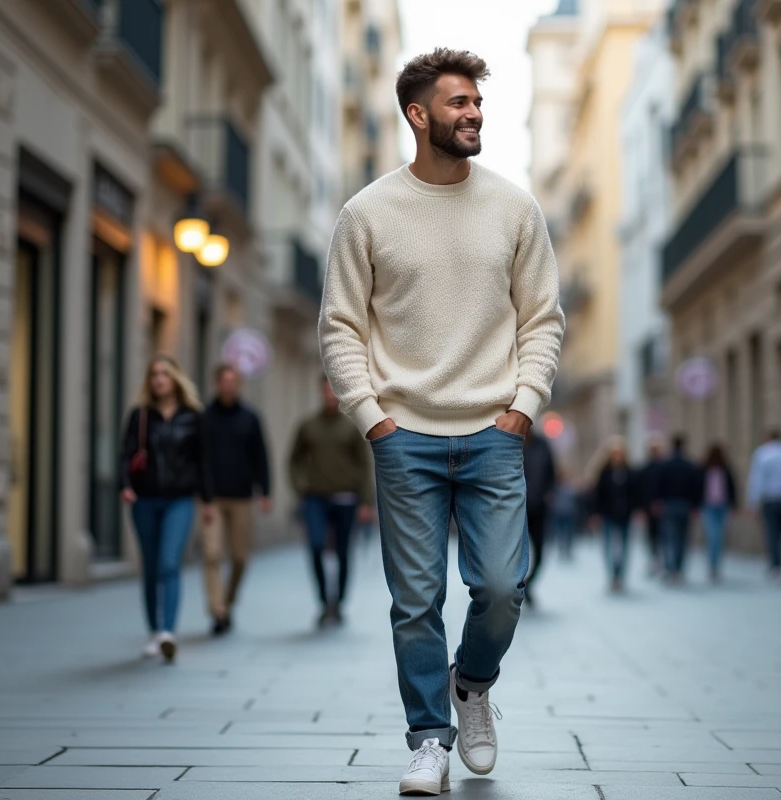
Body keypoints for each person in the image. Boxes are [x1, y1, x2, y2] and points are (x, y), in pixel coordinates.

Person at [319, 48, 564, 795]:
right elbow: (340, 329)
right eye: (458, 103)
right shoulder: (366, 214)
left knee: (500, 586)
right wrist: (373, 418)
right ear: (418, 115)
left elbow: (542, 321)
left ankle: (473, 682)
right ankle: (429, 739)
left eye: (477, 103)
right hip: (405, 439)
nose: (474, 113)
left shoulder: (515, 209)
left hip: (494, 434)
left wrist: (523, 409)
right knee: (414, 599)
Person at [118, 354, 213, 663]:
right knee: (150, 566)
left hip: (180, 500)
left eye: (164, 374)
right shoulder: (140, 416)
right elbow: (125, 454)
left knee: (169, 562)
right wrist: (125, 486)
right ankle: (154, 631)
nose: (159, 379)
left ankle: (168, 633)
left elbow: (203, 462)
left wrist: (207, 500)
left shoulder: (193, 417)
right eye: (154, 374)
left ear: (175, 379)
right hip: (144, 500)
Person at [288, 377, 374, 627]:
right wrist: (300, 487)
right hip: (314, 498)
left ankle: (340, 602)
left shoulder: (350, 426)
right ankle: (324, 600)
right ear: (320, 392)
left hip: (346, 498)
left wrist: (365, 501)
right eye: (325, 390)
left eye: (332, 391)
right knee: (315, 546)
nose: (329, 395)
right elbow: (294, 460)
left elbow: (364, 465)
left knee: (344, 552)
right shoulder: (308, 426)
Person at [201, 364, 272, 636]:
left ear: (238, 385)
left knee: (241, 557)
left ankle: (227, 603)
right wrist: (203, 495)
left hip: (242, 497)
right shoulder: (205, 418)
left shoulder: (250, 418)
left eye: (233, 381)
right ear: (216, 384)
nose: (228, 386)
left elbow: (261, 456)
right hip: (212, 499)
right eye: (224, 381)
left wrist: (265, 492)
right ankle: (217, 611)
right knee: (211, 554)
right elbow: (200, 460)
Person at [746, 430, 781, 578]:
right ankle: (780, 561)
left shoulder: (762, 454)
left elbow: (757, 481)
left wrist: (753, 503)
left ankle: (775, 563)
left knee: (772, 532)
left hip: (770, 499)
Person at [592, 438, 639, 593]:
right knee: (608, 547)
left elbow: (635, 493)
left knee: (624, 547)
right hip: (608, 514)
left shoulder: (630, 473)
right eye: (615, 454)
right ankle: (612, 575)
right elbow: (598, 494)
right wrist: (595, 513)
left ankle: (621, 576)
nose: (617, 457)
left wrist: (636, 510)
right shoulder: (605, 473)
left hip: (625, 514)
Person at [656, 435, 702, 584]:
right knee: (682, 539)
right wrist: (695, 506)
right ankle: (679, 569)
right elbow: (697, 487)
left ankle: (671, 568)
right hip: (685, 505)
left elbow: (659, 485)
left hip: (669, 505)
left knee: (669, 538)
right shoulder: (689, 465)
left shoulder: (665, 464)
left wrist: (658, 501)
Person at [522, 428, 557, 606]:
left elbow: (552, 472)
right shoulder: (512, 441)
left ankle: (528, 584)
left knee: (541, 553)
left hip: (539, 508)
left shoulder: (542, 444)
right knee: (514, 554)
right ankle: (515, 588)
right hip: (515, 509)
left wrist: (549, 493)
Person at [700, 443, 738, 583]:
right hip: (708, 506)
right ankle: (712, 565)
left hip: (722, 506)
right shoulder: (704, 470)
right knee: (713, 536)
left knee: (719, 537)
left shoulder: (725, 470)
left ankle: (716, 565)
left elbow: (732, 488)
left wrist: (733, 505)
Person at [638, 436, 666, 577]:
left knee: (661, 536)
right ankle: (655, 560)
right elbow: (641, 490)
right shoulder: (646, 469)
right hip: (650, 509)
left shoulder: (664, 468)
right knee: (652, 536)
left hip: (663, 508)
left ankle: (660, 561)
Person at [550, 470, 580, 561]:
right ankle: (562, 550)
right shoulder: (556, 487)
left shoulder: (571, 488)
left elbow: (576, 501)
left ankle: (568, 550)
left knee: (569, 534)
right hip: (559, 513)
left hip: (569, 514)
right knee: (560, 533)